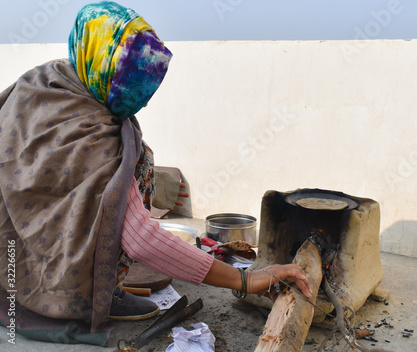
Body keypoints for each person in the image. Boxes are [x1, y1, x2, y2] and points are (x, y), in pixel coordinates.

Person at [0, 1, 311, 346]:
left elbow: (56, 177)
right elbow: (140, 238)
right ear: (106, 69)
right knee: (136, 158)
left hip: (12, 257)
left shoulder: (44, 82)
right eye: (133, 87)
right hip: (48, 278)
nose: (143, 102)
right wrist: (244, 279)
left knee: (134, 154)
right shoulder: (92, 135)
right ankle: (83, 297)